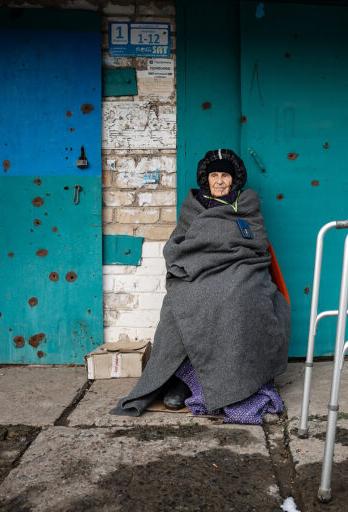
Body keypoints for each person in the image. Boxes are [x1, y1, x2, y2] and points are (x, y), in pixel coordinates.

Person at [110, 149, 290, 425]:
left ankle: (227, 384)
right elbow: (178, 245)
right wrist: (196, 263)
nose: (219, 181)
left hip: (242, 269)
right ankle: (183, 380)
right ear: (206, 179)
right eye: (214, 175)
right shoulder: (194, 206)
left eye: (225, 175)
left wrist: (231, 259)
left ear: (234, 179)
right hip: (197, 270)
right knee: (180, 305)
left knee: (240, 298)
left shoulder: (248, 204)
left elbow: (256, 245)